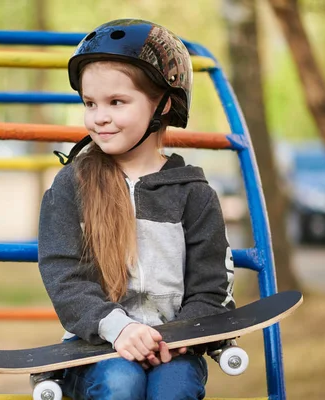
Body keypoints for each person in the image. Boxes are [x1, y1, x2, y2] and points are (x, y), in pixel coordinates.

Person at [38, 19, 235, 400]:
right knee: (120, 382)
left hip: (176, 346)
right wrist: (120, 329)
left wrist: (182, 335)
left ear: (162, 103)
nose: (99, 117)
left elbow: (211, 285)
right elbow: (64, 275)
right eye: (90, 103)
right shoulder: (72, 185)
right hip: (97, 344)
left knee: (173, 390)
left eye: (116, 102)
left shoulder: (192, 193)